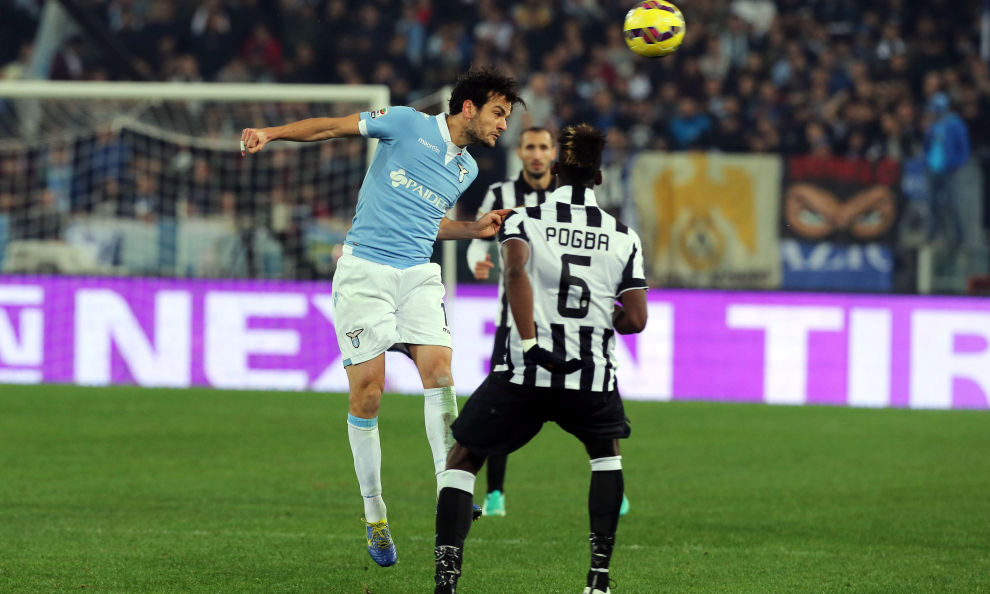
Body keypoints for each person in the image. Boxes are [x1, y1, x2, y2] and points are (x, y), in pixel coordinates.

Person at [240, 67, 524, 568]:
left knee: (440, 372)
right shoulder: (406, 122)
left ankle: (451, 486)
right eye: (498, 113)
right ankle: (375, 514)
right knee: (369, 393)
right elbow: (332, 127)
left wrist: (472, 229)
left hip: (417, 274)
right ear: (468, 108)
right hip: (365, 272)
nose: (503, 125)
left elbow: (428, 222)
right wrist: (272, 133)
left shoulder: (466, 170)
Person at [433, 124, 649, 594]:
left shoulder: (523, 220)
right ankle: (598, 578)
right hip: (589, 375)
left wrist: (532, 343)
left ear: (555, 170)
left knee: (463, 456)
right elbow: (635, 320)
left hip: (524, 371)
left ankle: (446, 579)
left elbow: (514, 271)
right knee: (606, 457)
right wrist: (605, 312)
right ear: (598, 177)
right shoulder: (623, 237)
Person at [465, 126, 631, 519]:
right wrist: (477, 261)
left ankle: (612, 482)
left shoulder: (571, 199)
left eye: (543, 147)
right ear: (520, 153)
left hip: (573, 324)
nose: (537, 154)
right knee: (500, 409)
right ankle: (496, 492)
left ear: (553, 157)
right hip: (515, 322)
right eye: (531, 147)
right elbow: (478, 239)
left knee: (592, 406)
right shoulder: (501, 195)